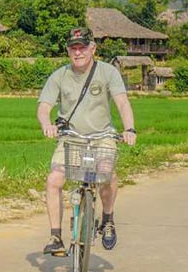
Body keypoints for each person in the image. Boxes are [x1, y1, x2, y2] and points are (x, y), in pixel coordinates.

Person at [37, 27, 137, 256]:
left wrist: (129, 128)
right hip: (71, 136)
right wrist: (47, 124)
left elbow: (121, 102)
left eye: (83, 47)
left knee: (107, 173)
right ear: (68, 51)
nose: (78, 52)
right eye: (74, 47)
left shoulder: (108, 72)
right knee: (54, 179)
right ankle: (55, 235)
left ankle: (108, 218)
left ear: (93, 49)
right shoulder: (59, 76)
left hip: (103, 136)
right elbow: (44, 107)